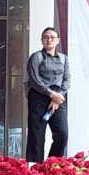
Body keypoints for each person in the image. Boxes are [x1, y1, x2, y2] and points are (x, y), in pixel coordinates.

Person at [26, 28, 69, 163]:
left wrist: (58, 97)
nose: (49, 39)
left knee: (62, 134)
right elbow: (35, 80)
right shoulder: (36, 57)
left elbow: (67, 79)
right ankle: (35, 167)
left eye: (52, 37)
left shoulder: (64, 58)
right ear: (41, 40)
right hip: (38, 96)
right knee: (37, 135)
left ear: (58, 40)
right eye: (45, 37)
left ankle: (52, 164)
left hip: (58, 97)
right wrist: (51, 94)